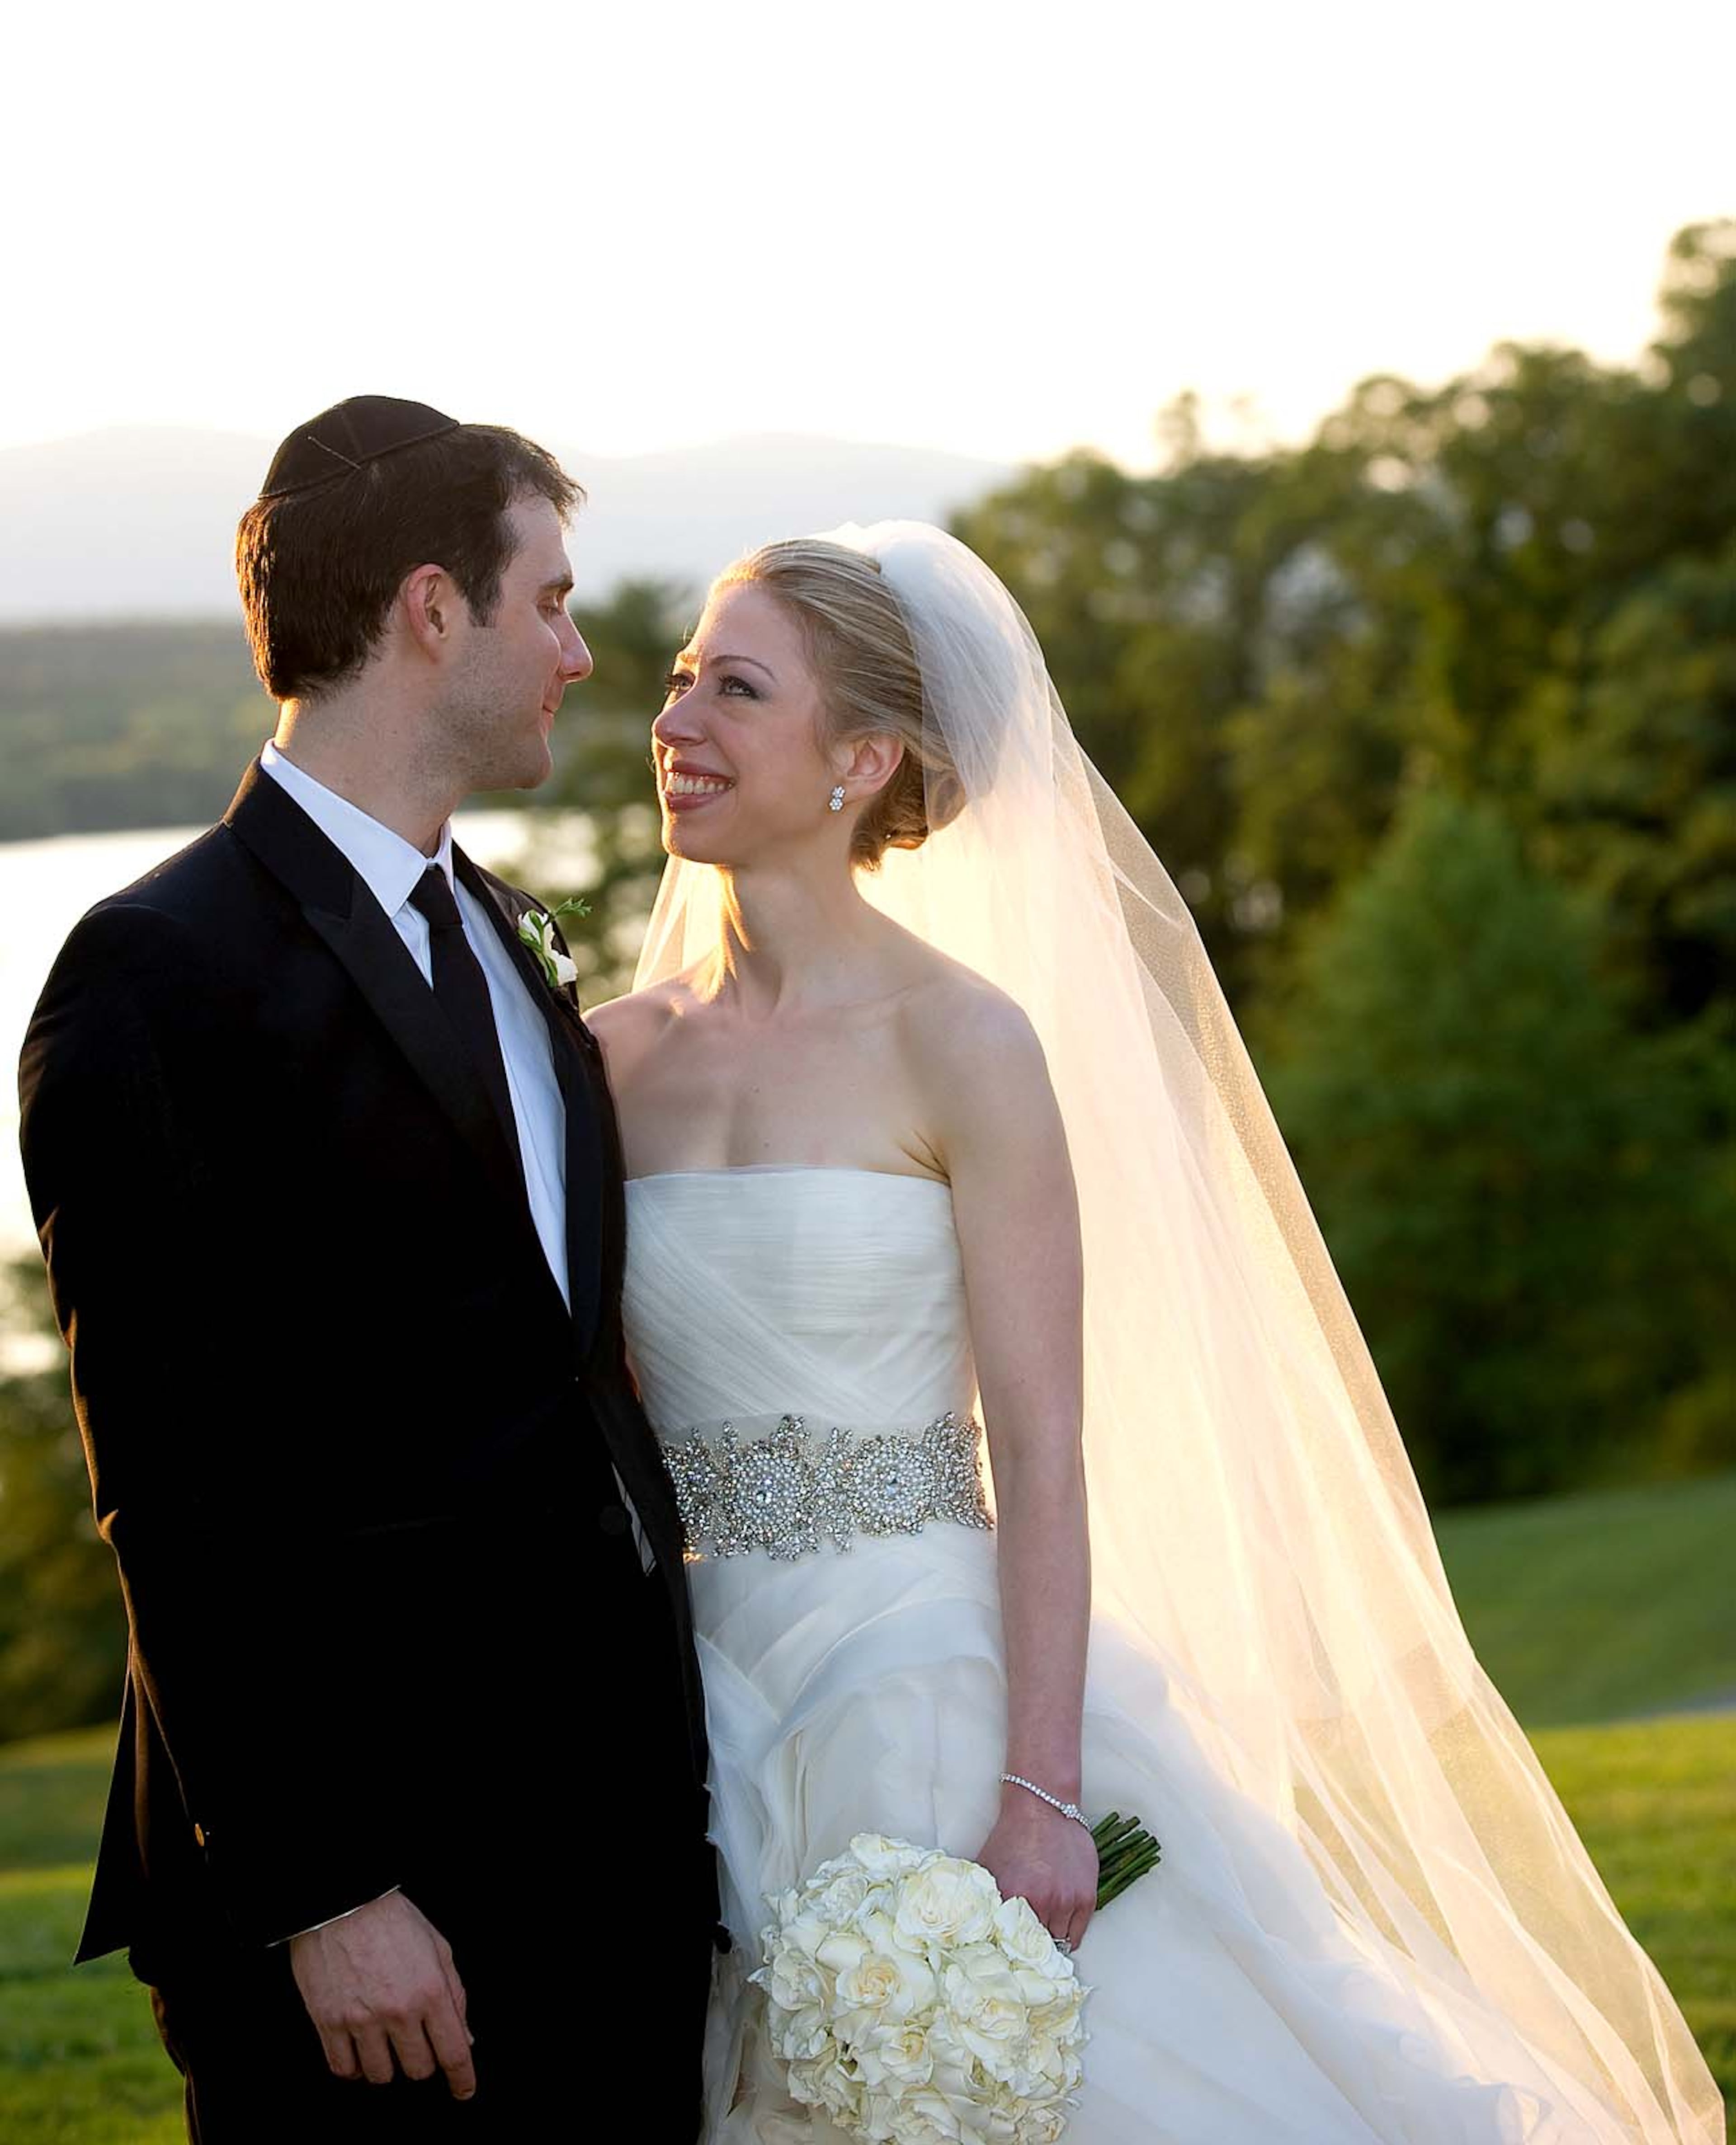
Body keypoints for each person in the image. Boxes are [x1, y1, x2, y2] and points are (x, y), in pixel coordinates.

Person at [584, 521, 1723, 2142]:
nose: (676, 720)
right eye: (685, 678)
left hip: (929, 1687)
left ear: (861, 759)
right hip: (690, 1705)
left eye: (736, 690)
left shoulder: (963, 1044)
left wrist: (1042, 1793)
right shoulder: (603, 1060)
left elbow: (1042, 1448)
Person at [16, 397, 719, 2140]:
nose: (576, 650)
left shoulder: (496, 932)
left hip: (607, 1855)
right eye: (546, 602)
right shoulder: (152, 972)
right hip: (368, 1917)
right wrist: (321, 1892)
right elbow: (167, 1488)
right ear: (431, 608)